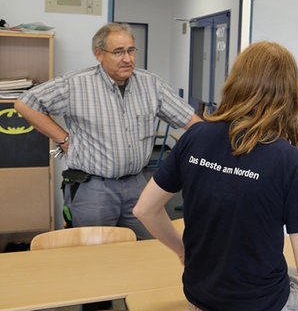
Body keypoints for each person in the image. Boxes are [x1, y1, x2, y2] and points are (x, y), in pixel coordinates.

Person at [133, 41, 298, 311]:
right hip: (259, 304)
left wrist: (182, 250)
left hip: (202, 297)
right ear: (291, 94)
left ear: (235, 83)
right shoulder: (295, 164)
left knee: (294, 275)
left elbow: (145, 209)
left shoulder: (195, 137)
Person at [14, 22, 201, 241]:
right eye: (119, 52)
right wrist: (63, 139)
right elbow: (25, 104)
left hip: (137, 186)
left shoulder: (151, 85)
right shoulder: (76, 85)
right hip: (94, 189)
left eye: (131, 50)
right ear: (99, 54)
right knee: (94, 258)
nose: (127, 58)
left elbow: (192, 122)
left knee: (150, 250)